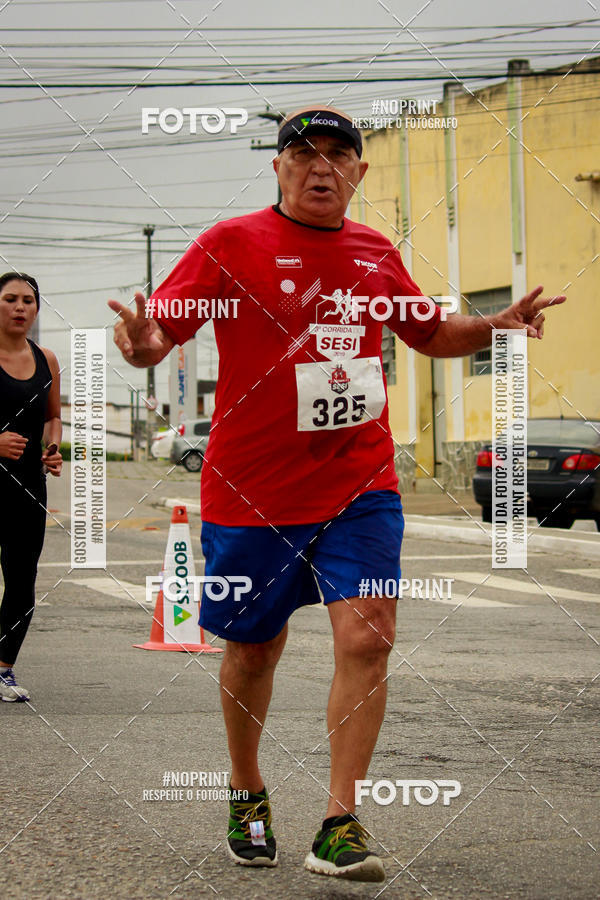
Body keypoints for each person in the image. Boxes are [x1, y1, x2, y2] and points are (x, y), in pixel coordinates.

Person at [109, 106, 565, 882]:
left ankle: (340, 821)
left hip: (360, 481)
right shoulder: (228, 244)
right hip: (251, 489)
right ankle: (248, 791)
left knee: (370, 636)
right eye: (304, 153)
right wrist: (141, 340)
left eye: (338, 156)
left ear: (358, 172)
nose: (321, 167)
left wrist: (496, 324)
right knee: (253, 647)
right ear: (279, 167)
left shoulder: (373, 251)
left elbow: (428, 333)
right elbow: (161, 336)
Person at [0, 272, 62, 702]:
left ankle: (4, 669)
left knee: (22, 579)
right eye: (9, 299)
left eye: (28, 300)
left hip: (26, 487)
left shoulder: (47, 359)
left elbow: (52, 415)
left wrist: (52, 446)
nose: (20, 307)